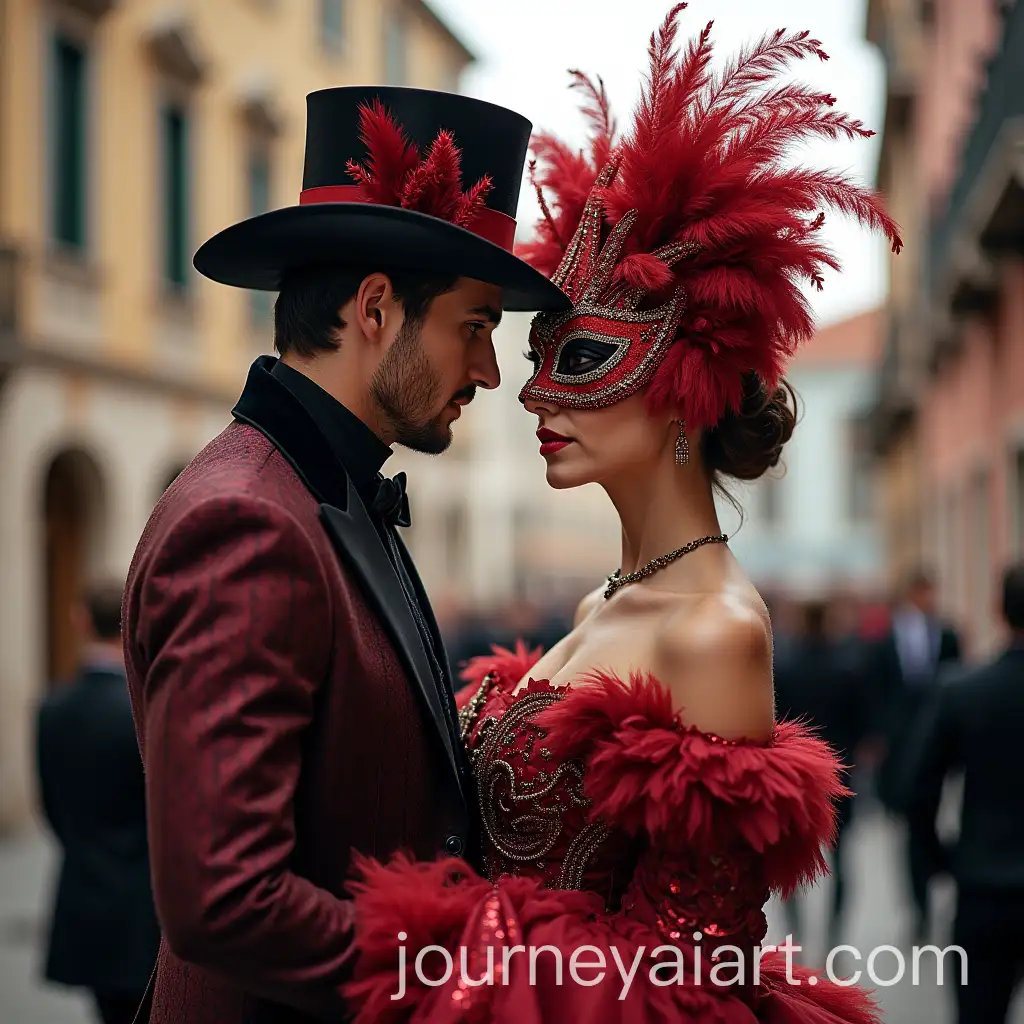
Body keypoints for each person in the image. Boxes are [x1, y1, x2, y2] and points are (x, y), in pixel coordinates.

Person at [338, 7, 903, 1021]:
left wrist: (473, 956)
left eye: (583, 358)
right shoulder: (609, 598)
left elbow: (689, 972)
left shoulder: (714, 631)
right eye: (537, 356)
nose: (532, 393)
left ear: (684, 384)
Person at [121, 87, 568, 1024]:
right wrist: (461, 980)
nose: (490, 372)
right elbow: (223, 900)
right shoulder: (246, 523)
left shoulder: (321, 491)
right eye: (476, 326)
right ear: (375, 308)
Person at [899, 563, 1024, 1024]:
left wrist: (939, 861)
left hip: (984, 887)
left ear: (999, 610)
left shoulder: (964, 692)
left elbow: (917, 790)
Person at [36, 581, 160, 1024]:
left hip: (86, 896)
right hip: (148, 906)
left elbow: (52, 806)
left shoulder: (53, 708)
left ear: (81, 621)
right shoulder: (147, 707)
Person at [774, 599, 871, 949]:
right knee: (842, 857)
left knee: (789, 858)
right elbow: (861, 726)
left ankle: (796, 931)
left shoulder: (785, 668)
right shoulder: (847, 668)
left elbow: (776, 722)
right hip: (838, 774)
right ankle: (834, 933)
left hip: (796, 774)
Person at [872, 570, 961, 939]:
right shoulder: (887, 639)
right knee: (912, 827)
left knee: (929, 827)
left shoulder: (948, 635)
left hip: (940, 746)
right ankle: (919, 906)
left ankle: (934, 879)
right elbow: (878, 689)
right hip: (902, 751)